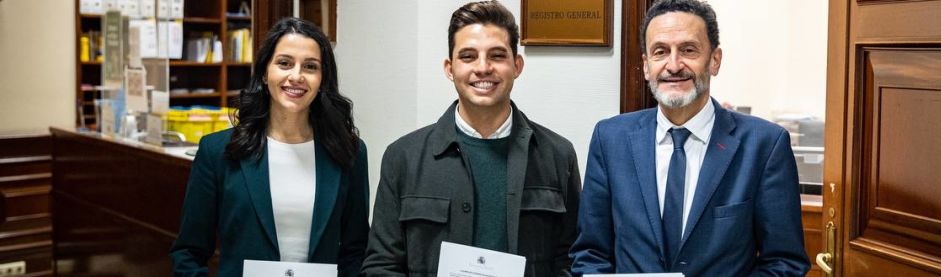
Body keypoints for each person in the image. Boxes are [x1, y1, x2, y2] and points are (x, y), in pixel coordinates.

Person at [570, 0, 811, 275]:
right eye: (660, 52)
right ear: (647, 66)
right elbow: (590, 253)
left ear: (714, 60)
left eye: (688, 50)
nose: (673, 65)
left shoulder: (765, 145)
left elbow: (784, 262)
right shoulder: (610, 140)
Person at [360, 1, 580, 276]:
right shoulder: (403, 157)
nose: (483, 67)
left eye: (497, 55)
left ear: (517, 65)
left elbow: (570, 261)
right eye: (468, 56)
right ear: (449, 68)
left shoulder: (558, 156)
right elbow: (381, 266)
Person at [170, 17, 369, 277]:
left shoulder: (349, 152)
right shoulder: (218, 151)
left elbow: (356, 251)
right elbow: (188, 252)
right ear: (265, 73)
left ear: (322, 79)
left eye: (310, 66)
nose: (296, 76)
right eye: (284, 63)